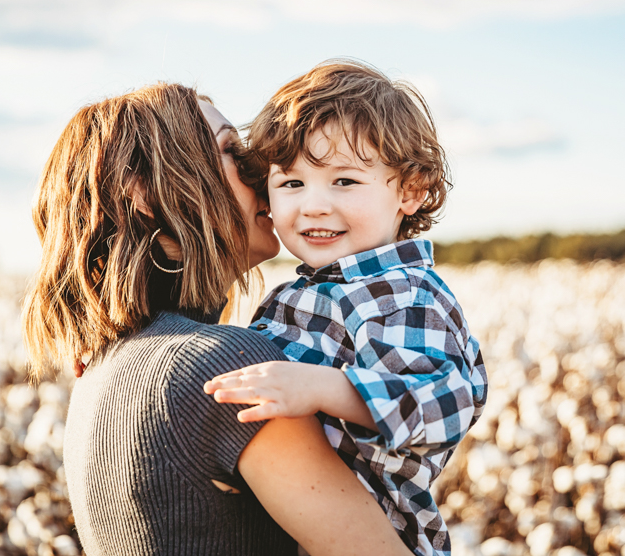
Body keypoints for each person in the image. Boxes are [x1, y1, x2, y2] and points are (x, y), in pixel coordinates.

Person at [21, 83, 412, 556]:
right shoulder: (224, 364)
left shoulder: (104, 368)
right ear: (145, 192)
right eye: (232, 150)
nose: (263, 168)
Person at [204, 61, 488, 556]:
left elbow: (444, 403)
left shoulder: (404, 293)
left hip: (377, 532)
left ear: (411, 190)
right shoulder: (309, 290)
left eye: (344, 182)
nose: (313, 205)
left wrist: (323, 388)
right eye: (292, 184)